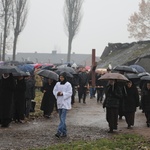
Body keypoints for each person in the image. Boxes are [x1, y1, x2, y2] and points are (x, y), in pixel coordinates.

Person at [53, 72, 72, 138]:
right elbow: (54, 91)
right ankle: (64, 131)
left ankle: (59, 131)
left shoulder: (68, 84)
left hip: (65, 102)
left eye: (62, 77)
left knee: (62, 117)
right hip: (59, 102)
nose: (61, 78)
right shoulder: (57, 84)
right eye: (60, 77)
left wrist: (63, 93)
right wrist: (57, 93)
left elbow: (70, 93)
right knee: (61, 118)